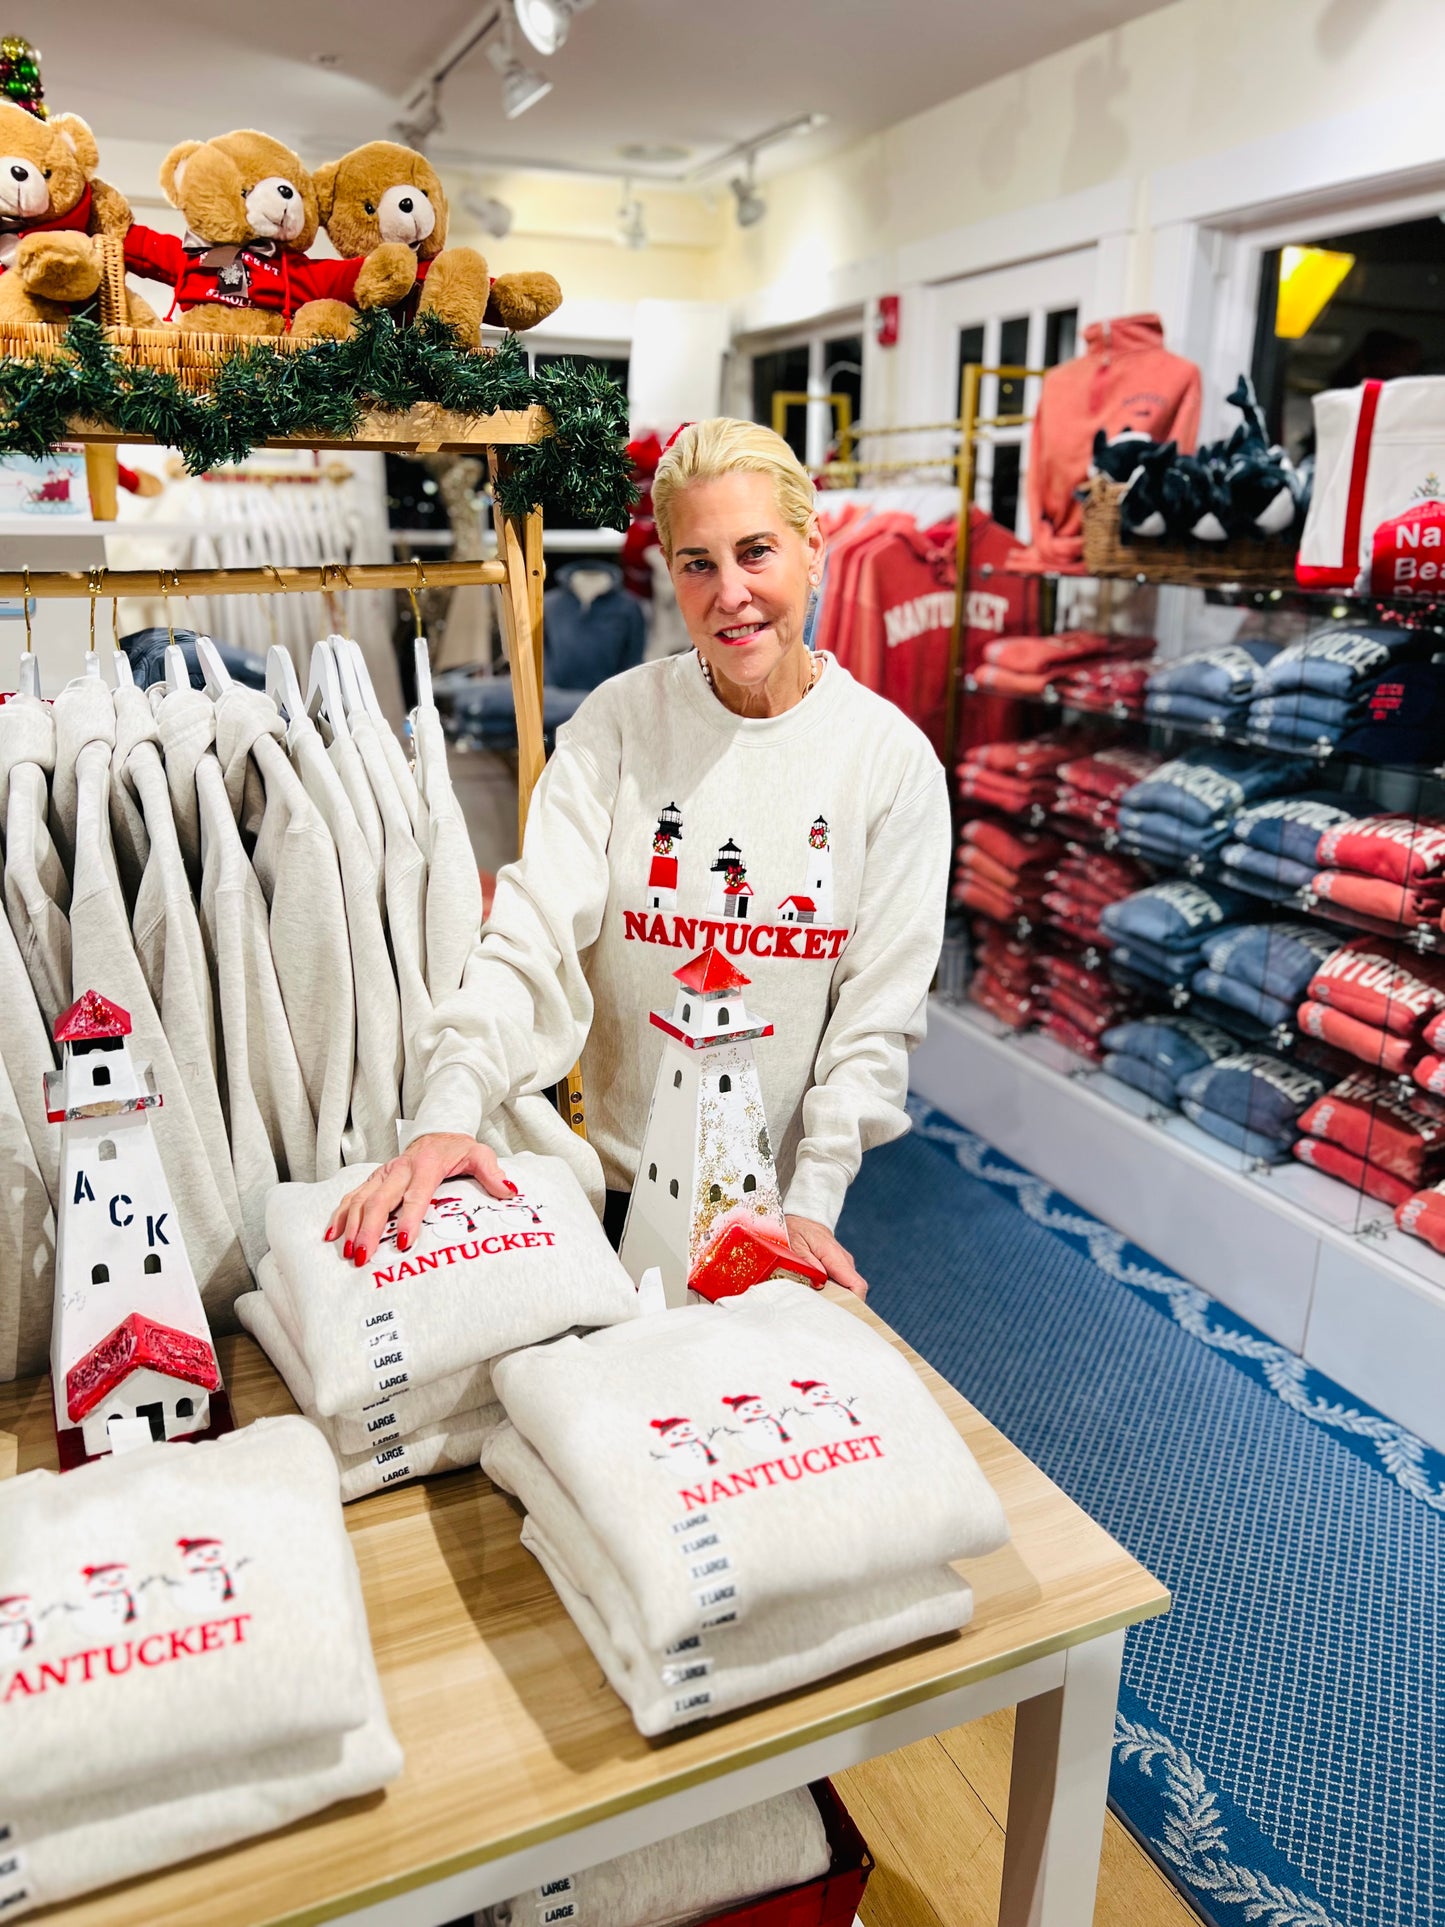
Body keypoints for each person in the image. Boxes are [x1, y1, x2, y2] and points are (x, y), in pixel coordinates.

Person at [327, 418, 951, 1297]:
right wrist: (446, 1111)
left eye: (756, 552)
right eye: (697, 562)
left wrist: (812, 1201)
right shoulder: (618, 724)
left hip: (768, 1213)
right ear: (667, 571)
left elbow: (874, 1022)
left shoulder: (891, 764)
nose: (729, 593)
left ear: (814, 548)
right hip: (596, 1193)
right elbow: (527, 935)